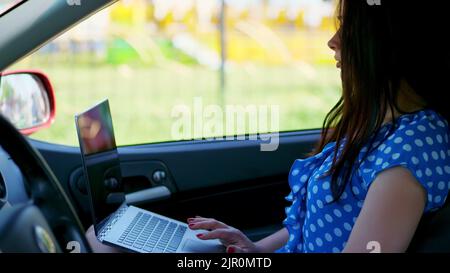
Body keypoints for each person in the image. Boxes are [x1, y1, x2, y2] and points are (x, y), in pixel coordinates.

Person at [87, 0, 450, 253]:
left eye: (349, 29)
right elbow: (310, 225)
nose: (333, 41)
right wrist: (254, 248)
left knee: (101, 242)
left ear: (387, 42)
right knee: (104, 238)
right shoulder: (374, 124)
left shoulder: (413, 148)